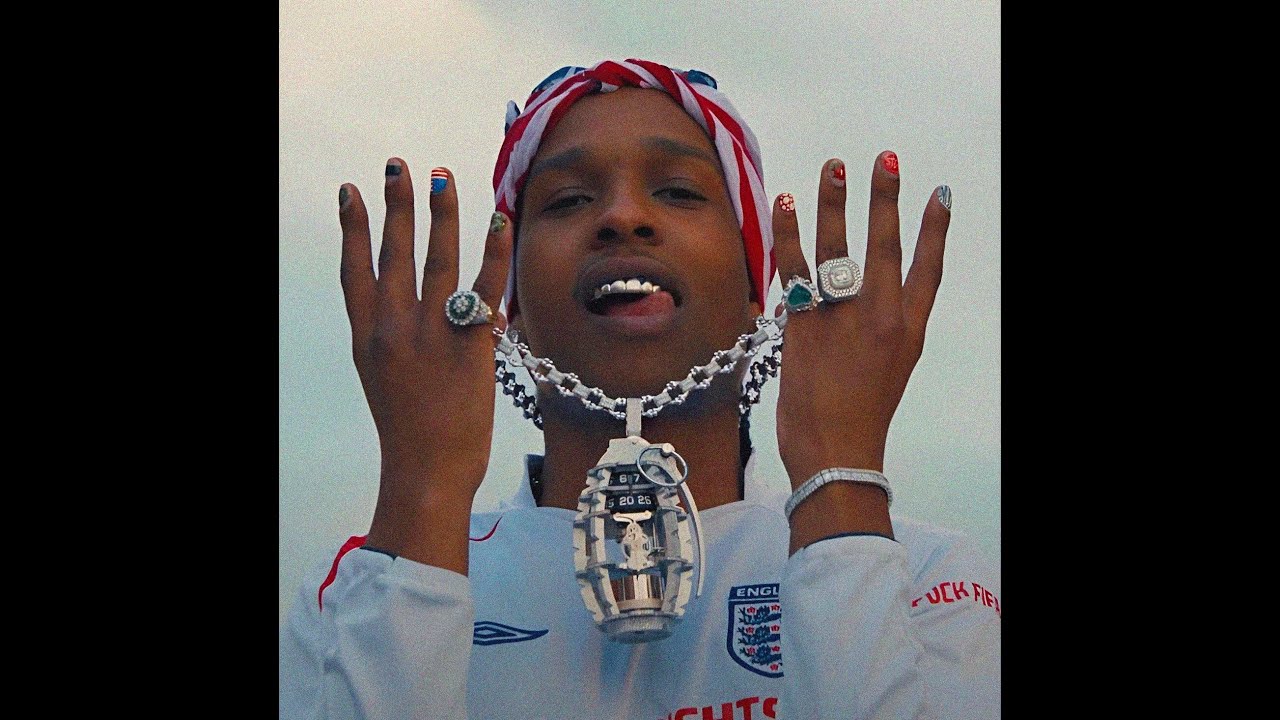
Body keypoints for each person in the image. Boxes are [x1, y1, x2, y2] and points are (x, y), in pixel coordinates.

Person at [280, 58, 999, 719]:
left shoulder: (918, 572)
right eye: (568, 200)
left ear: (757, 291)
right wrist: (423, 492)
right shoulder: (353, 593)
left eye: (679, 192)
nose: (622, 216)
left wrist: (838, 475)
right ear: (511, 309)